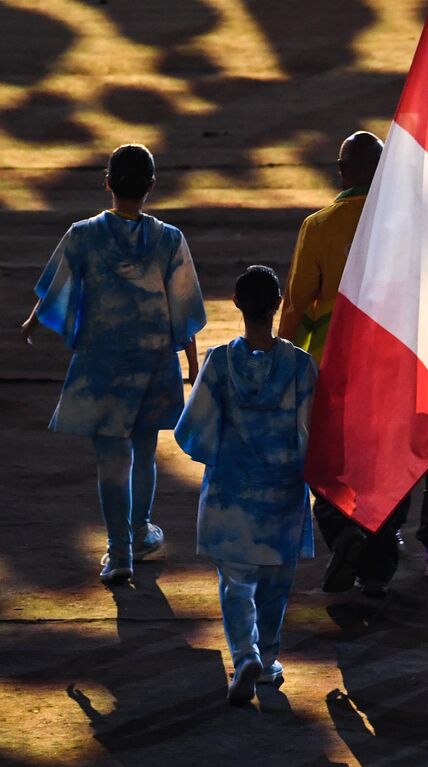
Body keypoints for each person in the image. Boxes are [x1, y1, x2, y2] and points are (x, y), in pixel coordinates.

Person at [279, 131, 428, 590]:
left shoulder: (319, 227)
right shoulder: (416, 226)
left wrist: (283, 361)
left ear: (342, 172)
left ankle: (345, 534)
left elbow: (298, 307)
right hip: (401, 372)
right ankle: (378, 565)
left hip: (338, 374)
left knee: (329, 469)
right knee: (391, 470)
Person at [19, 144, 206, 584]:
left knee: (110, 460)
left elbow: (56, 289)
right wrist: (193, 362)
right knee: (144, 452)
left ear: (107, 183)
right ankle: (140, 532)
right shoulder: (169, 239)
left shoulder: (84, 234)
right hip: (153, 360)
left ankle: (118, 552)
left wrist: (32, 321)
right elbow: (184, 308)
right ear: (151, 187)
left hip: (102, 365)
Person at [175, 266, 317, 705]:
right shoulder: (300, 365)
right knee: (276, 582)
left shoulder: (219, 362)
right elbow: (312, 432)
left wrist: (220, 455)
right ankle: (269, 657)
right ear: (278, 305)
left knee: (236, 581)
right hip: (283, 491)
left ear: (236, 303)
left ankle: (245, 652)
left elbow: (193, 429)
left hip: (231, 491)